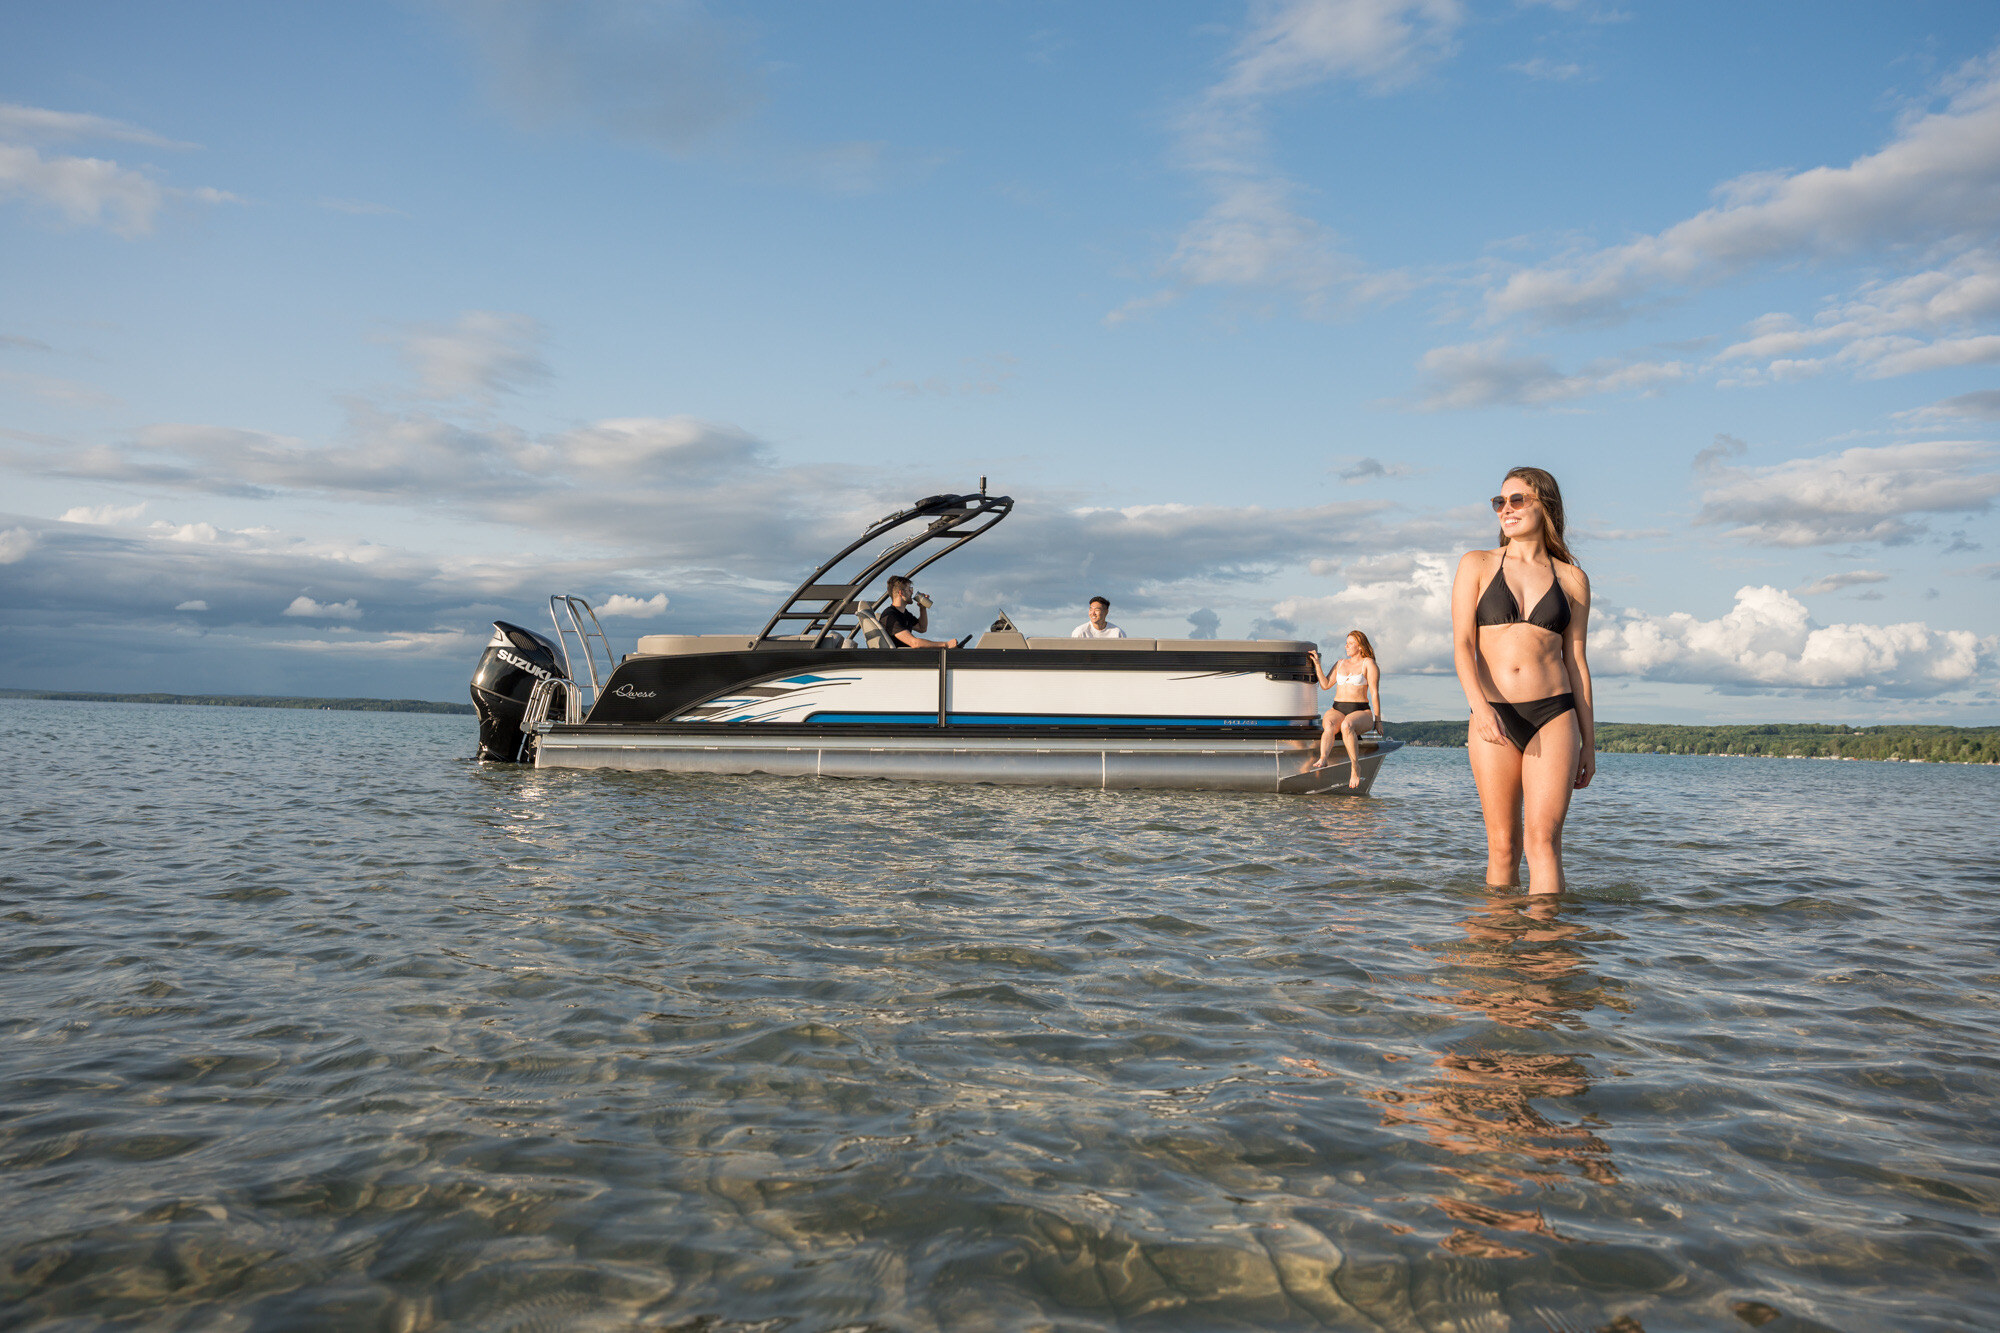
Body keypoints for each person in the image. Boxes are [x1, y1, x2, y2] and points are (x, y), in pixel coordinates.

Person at [1450, 466, 1595, 894]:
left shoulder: (1572, 580)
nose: (1505, 509)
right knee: (1502, 847)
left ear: (1544, 505)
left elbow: (1578, 663)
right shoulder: (1476, 564)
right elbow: (1462, 645)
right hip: (1492, 713)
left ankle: (1548, 951)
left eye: (1517, 500)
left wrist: (1589, 742)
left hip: (1554, 714)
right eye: (1500, 502)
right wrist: (1479, 707)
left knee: (1544, 843)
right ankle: (1495, 950)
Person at [1307, 630, 1383, 788]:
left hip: (1361, 711)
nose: (1346, 646)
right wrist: (1317, 665)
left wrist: (1378, 720)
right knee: (1328, 724)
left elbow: (1375, 693)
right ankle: (1323, 758)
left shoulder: (1368, 663)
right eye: (1346, 643)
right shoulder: (1340, 663)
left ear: (1360, 646)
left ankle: (1355, 767)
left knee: (1347, 725)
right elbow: (1326, 685)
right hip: (1338, 708)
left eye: (1350, 643)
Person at [878, 576, 972, 649]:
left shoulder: (903, 613)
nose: (912, 592)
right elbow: (914, 643)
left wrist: (922, 608)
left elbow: (922, 628)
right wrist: (946, 644)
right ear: (901, 593)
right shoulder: (891, 616)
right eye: (909, 589)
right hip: (901, 663)